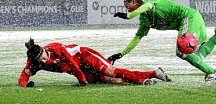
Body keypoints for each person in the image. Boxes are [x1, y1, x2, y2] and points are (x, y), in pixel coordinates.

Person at [109, 0, 216, 83]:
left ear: (135, 2)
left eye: (128, 7)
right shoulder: (144, 19)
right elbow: (137, 38)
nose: (128, 10)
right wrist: (121, 54)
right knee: (197, 56)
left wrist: (128, 17)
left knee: (182, 49)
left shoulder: (150, 0)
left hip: (189, 17)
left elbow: (147, 6)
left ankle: (212, 72)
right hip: (189, 22)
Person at [18, 38, 171, 87]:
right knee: (112, 80)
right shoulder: (33, 62)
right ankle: (147, 78)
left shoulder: (57, 49)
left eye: (43, 57)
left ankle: (152, 73)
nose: (44, 61)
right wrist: (26, 85)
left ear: (44, 50)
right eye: (40, 61)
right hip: (78, 69)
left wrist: (82, 80)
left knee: (110, 71)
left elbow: (73, 64)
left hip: (85, 56)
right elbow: (23, 77)